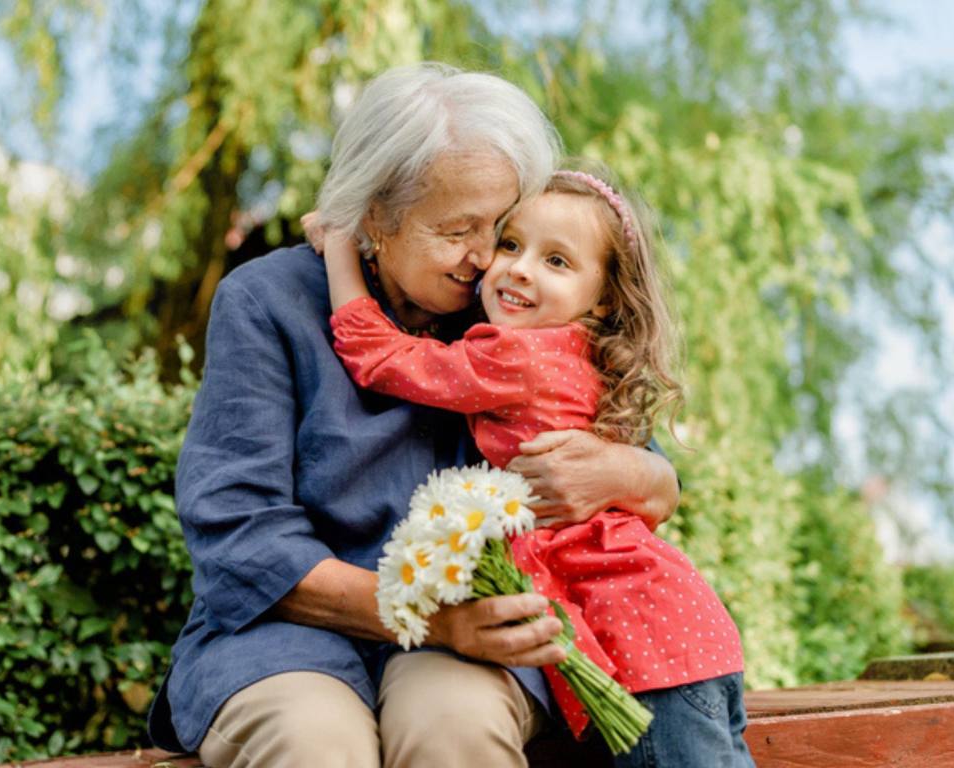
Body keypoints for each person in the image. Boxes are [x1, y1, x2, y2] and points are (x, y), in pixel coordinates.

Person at [146, 63, 682, 768]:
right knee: (314, 745)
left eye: (505, 227)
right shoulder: (267, 302)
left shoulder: (522, 306)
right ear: (374, 213)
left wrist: (628, 469)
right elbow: (240, 536)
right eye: (457, 230)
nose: (491, 258)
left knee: (454, 730)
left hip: (482, 627)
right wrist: (433, 618)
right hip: (285, 631)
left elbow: (653, 480)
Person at [323, 168, 755, 767]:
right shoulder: (583, 353)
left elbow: (381, 357)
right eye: (510, 245)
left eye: (557, 261)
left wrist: (341, 244)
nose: (520, 268)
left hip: (649, 655)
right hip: (680, 638)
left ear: (602, 296)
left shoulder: (518, 355)